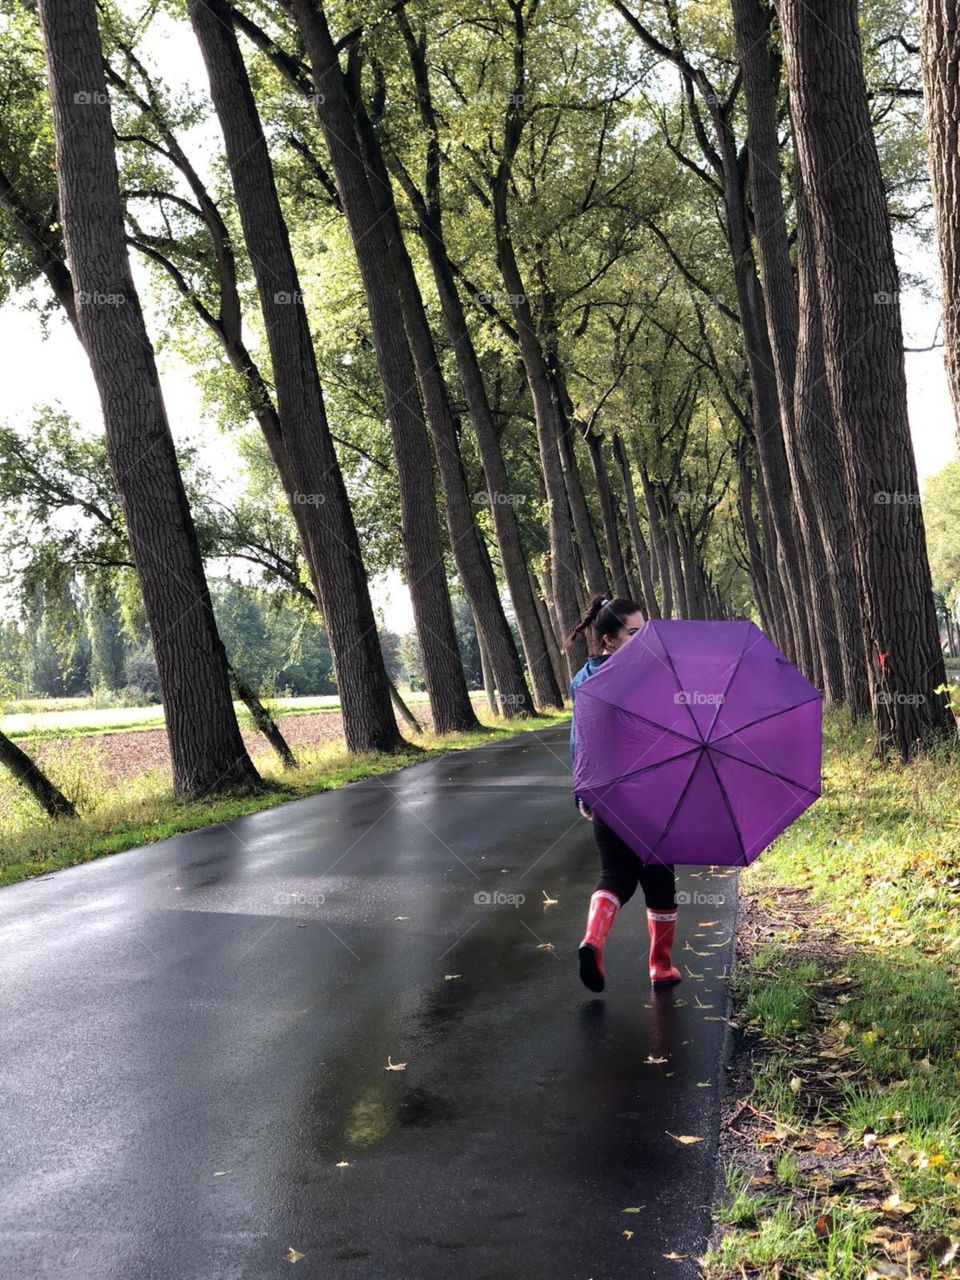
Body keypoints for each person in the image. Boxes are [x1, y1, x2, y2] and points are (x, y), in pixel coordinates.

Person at [567, 594, 682, 993]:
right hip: (652, 794)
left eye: (644, 631)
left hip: (604, 795)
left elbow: (578, 739)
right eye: (634, 633)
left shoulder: (582, 678)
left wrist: (580, 787)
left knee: (615, 876)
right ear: (609, 640)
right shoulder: (646, 678)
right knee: (659, 880)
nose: (642, 639)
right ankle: (660, 967)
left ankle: (593, 941)